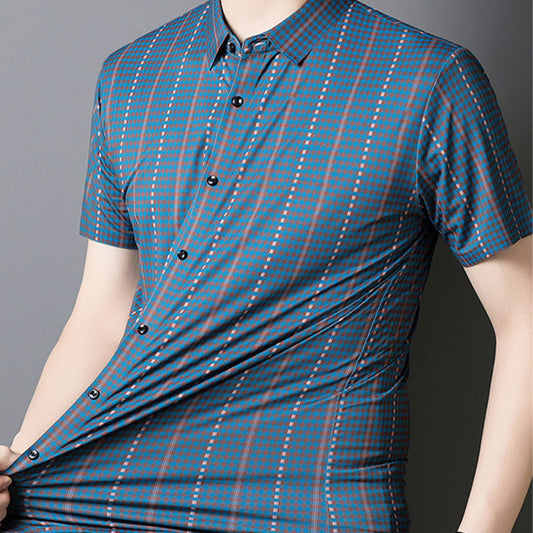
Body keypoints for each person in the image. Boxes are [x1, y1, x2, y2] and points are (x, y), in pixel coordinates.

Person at [0, 0, 531, 531]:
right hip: (94, 496)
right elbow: (101, 313)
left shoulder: (429, 78)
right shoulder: (130, 73)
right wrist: (19, 462)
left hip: (302, 503)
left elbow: (524, 317)